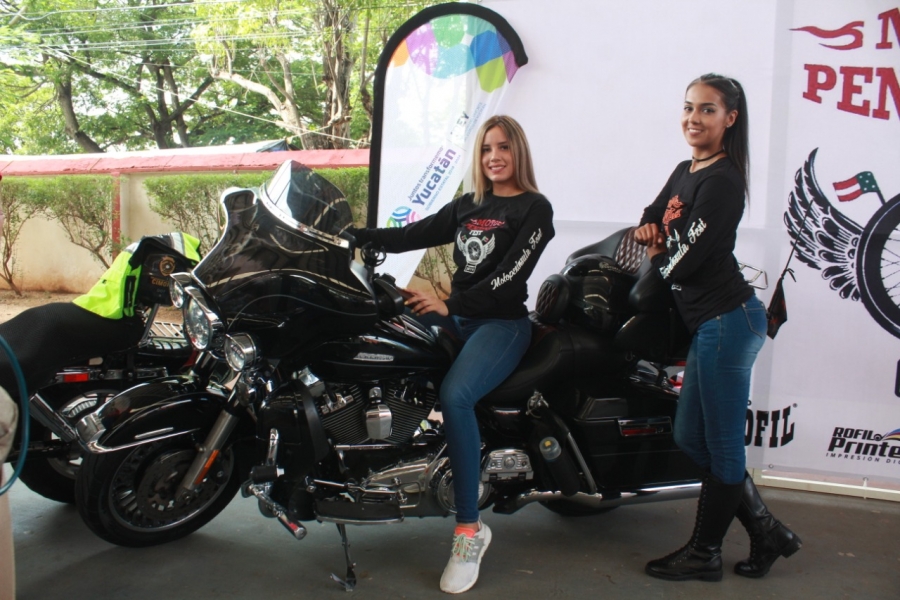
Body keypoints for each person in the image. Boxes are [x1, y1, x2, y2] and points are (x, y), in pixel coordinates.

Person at [351, 115, 554, 594]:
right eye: (486, 149)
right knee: (376, 342)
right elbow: (414, 234)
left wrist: (451, 304)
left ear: (518, 152)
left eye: (503, 147)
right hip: (458, 317)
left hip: (500, 323)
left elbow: (510, 274)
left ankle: (468, 529)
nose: (494, 157)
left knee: (457, 396)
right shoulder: (469, 204)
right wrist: (358, 236)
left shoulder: (534, 208)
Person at [634, 73, 801, 582]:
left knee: (724, 445)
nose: (693, 118)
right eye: (689, 107)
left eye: (707, 109)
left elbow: (682, 262)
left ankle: (705, 553)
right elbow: (652, 213)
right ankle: (768, 531)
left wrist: (658, 251)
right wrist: (649, 228)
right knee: (690, 435)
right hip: (708, 324)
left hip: (729, 321)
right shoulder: (686, 169)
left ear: (730, 118)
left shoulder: (723, 181)